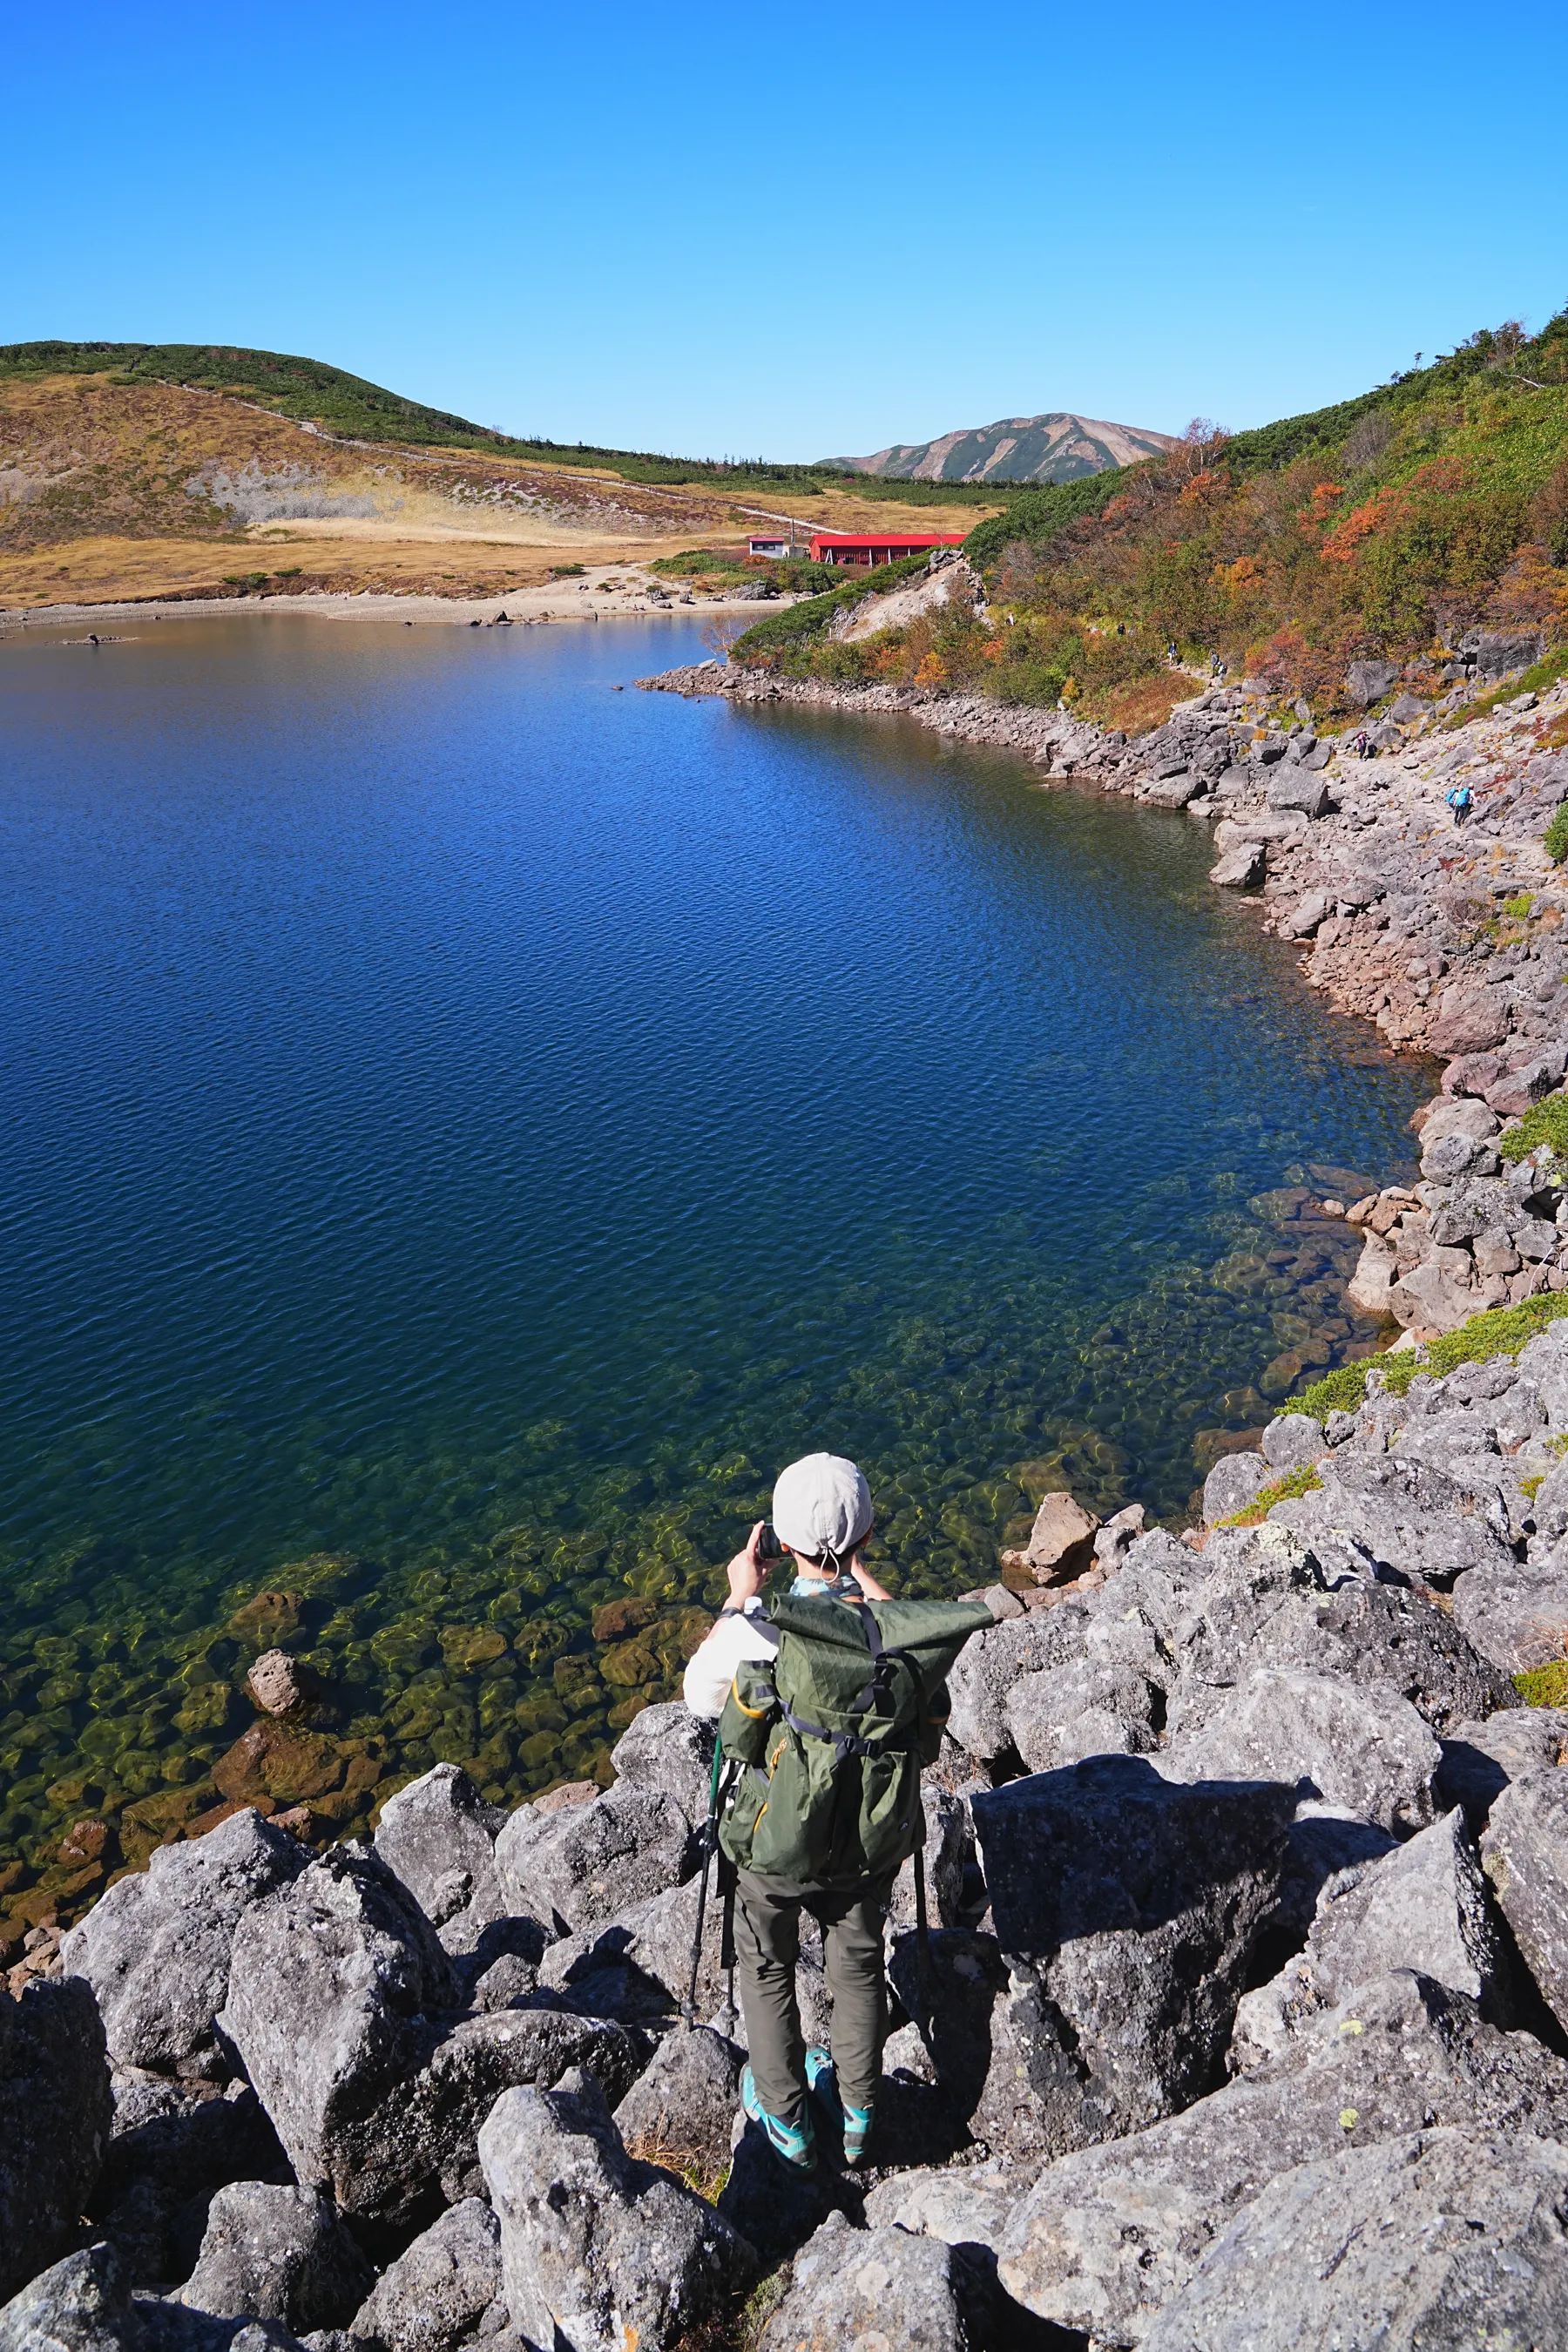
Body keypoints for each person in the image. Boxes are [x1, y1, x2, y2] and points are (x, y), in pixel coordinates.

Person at [682, 1452, 1000, 2175]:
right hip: (868, 1837)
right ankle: (859, 2116)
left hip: (774, 1840)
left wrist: (737, 1598)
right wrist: (862, 1582)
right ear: (866, 1539)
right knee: (856, 1967)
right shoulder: (899, 1640)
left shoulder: (762, 1626)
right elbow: (908, 1639)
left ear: (780, 1543)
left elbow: (699, 1694)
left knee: (765, 1965)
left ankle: (786, 2120)